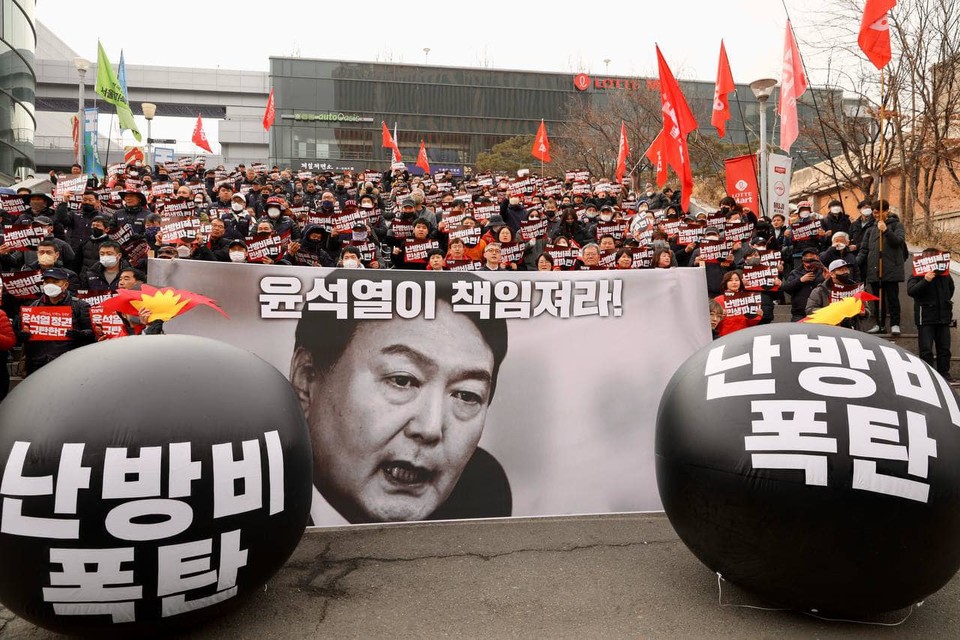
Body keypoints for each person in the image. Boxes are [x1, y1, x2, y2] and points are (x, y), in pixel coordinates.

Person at [288, 270, 510, 525]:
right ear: (306, 381)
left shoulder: (480, 502)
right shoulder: (253, 514)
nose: (430, 428)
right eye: (402, 380)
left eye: (466, 395)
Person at [15, 267, 94, 375]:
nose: (50, 285)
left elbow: (93, 331)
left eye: (56, 282)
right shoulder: (33, 307)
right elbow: (20, 333)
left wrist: (81, 334)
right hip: (39, 363)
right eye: (47, 282)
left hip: (70, 363)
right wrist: (22, 336)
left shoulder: (79, 306)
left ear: (65, 285)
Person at [858, 199, 907, 335]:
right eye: (874, 213)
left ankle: (895, 324)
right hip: (874, 269)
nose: (876, 215)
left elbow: (898, 241)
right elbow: (864, 250)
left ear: (886, 211)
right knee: (877, 300)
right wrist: (855, 263)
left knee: (892, 298)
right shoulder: (870, 230)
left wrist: (886, 231)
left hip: (891, 269)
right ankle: (879, 324)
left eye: (879, 212)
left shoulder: (897, 225)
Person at [907, 248, 955, 380]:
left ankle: (944, 374)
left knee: (944, 349)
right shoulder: (917, 273)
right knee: (926, 350)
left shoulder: (945, 274)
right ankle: (928, 376)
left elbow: (951, 289)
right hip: (926, 318)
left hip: (943, 317)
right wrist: (925, 280)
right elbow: (911, 291)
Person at [805, 259, 870, 331]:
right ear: (832, 274)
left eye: (846, 269)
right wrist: (832, 311)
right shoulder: (820, 291)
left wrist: (863, 312)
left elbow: (867, 310)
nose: (845, 272)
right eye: (841, 270)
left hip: (853, 329)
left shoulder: (856, 289)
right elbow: (809, 310)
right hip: (829, 330)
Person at [782, 248, 826, 322]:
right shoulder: (795, 272)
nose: (808, 263)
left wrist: (825, 279)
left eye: (811, 260)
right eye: (806, 260)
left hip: (818, 312)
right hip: (799, 314)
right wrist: (800, 280)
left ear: (817, 259)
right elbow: (786, 288)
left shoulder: (823, 272)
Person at [714, 270, 762, 337]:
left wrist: (757, 316)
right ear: (725, 283)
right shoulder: (718, 300)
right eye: (730, 280)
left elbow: (751, 323)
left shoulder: (749, 299)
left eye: (737, 280)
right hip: (724, 336)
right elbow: (712, 322)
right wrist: (719, 316)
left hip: (743, 335)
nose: (734, 282)